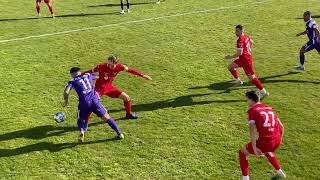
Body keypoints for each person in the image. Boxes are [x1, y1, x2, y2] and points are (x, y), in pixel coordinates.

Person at [64, 67, 124, 143]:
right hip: (94, 101)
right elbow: (99, 77)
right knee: (107, 117)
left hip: (84, 103)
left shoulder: (72, 81)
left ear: (72, 74)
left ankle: (82, 131)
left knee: (80, 120)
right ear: (79, 72)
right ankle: (119, 133)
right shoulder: (88, 75)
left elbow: (66, 92)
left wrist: (66, 101)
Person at [83, 55, 152, 119]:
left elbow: (131, 70)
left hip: (109, 88)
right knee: (92, 104)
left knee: (126, 98)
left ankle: (129, 114)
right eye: (112, 63)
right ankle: (84, 121)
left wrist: (143, 75)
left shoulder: (120, 67)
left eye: (115, 63)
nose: (113, 65)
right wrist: (80, 74)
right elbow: (90, 71)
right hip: (99, 88)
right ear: (108, 61)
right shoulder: (101, 66)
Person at [238, 90, 286, 180]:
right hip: (277, 141)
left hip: (266, 143)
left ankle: (245, 178)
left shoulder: (253, 111)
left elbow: (252, 130)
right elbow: (281, 126)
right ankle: (280, 172)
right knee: (267, 150)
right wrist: (280, 140)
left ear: (251, 100)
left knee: (242, 152)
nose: (247, 102)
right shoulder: (268, 108)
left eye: (247, 99)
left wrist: (254, 147)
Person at [225, 25, 269, 98]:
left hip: (246, 61)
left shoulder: (240, 40)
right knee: (230, 67)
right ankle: (238, 81)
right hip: (243, 59)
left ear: (242, 31)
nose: (235, 32)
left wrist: (230, 56)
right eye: (235, 30)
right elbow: (251, 42)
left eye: (237, 31)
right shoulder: (246, 37)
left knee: (252, 78)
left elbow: (239, 53)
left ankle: (264, 92)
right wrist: (248, 50)